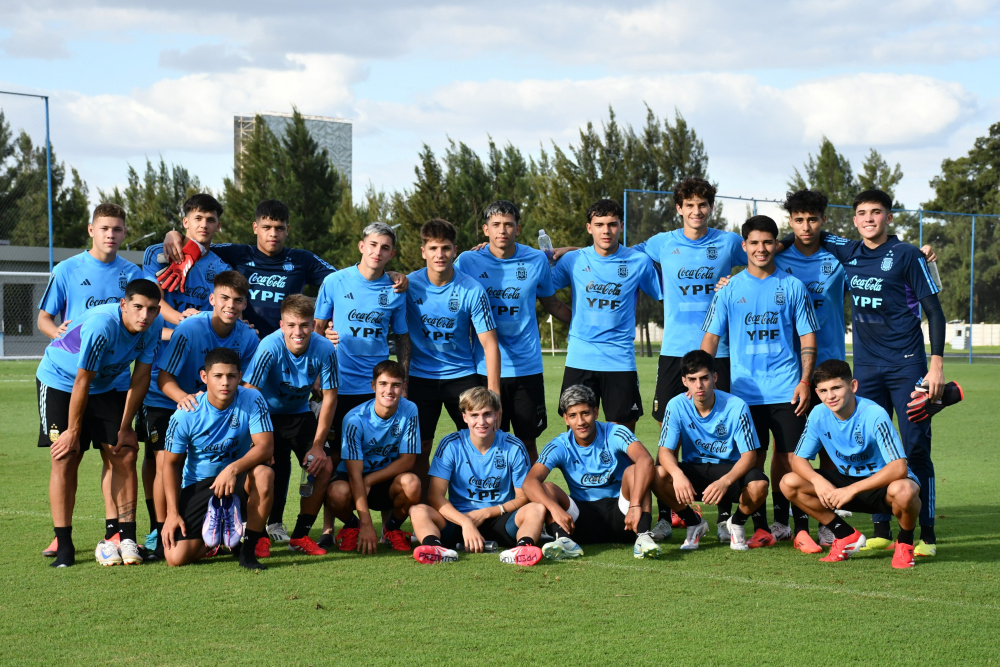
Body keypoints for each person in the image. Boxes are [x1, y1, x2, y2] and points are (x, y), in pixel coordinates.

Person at [800, 189, 945, 556]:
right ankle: (881, 529)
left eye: (876, 212)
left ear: (889, 217)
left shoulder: (907, 255)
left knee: (914, 448)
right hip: (866, 368)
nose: (869, 219)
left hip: (908, 364)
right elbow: (804, 234)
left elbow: (935, 312)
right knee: (871, 445)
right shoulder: (849, 252)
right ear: (854, 220)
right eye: (862, 213)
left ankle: (925, 534)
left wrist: (936, 363)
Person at [632, 177, 748, 539]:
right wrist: (562, 251)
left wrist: (738, 281)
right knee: (672, 428)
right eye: (690, 205)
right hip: (673, 352)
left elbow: (767, 255)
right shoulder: (661, 243)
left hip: (719, 351)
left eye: (703, 205)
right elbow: (614, 251)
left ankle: (728, 516)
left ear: (710, 208)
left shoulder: (729, 243)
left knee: (724, 427)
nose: (697, 212)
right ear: (678, 208)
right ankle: (672, 514)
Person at [701, 215, 819, 549]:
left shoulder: (792, 286)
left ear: (775, 245)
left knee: (791, 459)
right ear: (744, 247)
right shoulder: (730, 290)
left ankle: (796, 526)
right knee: (751, 459)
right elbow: (709, 340)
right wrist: (701, 381)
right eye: (754, 243)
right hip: (744, 394)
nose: (761, 249)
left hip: (786, 389)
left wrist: (805, 381)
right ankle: (761, 525)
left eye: (767, 242)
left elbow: (808, 338)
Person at [35, 202, 142, 558]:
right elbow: (45, 320)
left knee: (120, 453)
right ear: (90, 230)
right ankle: (61, 537)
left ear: (125, 233)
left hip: (110, 380)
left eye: (117, 229)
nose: (111, 235)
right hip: (67, 377)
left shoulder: (134, 274)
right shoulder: (67, 269)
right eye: (104, 228)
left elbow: (151, 311)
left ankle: (117, 534)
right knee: (68, 454)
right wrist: (59, 334)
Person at [35, 278, 163, 567]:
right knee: (67, 455)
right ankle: (64, 543)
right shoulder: (102, 326)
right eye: (138, 307)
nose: (145, 315)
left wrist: (125, 426)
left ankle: (126, 537)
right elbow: (82, 380)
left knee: (125, 451)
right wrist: (73, 431)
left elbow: (141, 377)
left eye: (152, 309)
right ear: (123, 305)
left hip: (105, 385)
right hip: (61, 382)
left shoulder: (153, 326)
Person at [141, 271, 259, 558]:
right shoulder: (190, 329)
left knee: (251, 457)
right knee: (163, 461)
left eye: (238, 300)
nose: (231, 305)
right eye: (225, 298)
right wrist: (186, 400)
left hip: (217, 405)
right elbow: (164, 378)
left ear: (245, 304)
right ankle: (162, 527)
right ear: (212, 299)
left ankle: (240, 524)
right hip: (173, 402)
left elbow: (248, 382)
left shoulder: (247, 336)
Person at [141, 193, 231, 552]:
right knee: (157, 454)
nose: (204, 225)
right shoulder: (158, 254)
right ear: (185, 223)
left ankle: (197, 521)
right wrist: (183, 324)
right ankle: (156, 525)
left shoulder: (220, 265)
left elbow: (221, 306)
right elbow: (153, 296)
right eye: (197, 218)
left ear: (218, 225)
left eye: (210, 219)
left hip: (197, 378)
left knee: (190, 454)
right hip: (160, 374)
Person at [313, 222, 410, 544]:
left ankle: (387, 529)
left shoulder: (396, 290)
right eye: (372, 245)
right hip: (338, 387)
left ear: (391, 254)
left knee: (383, 452)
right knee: (334, 459)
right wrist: (315, 375)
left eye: (384, 248)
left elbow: (402, 337)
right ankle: (330, 528)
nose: (377, 252)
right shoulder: (335, 281)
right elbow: (317, 328)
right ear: (361, 246)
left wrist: (403, 378)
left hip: (377, 389)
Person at [455, 200, 572, 462]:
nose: (502, 231)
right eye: (496, 225)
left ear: (518, 229)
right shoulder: (468, 260)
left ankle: (531, 501)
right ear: (485, 230)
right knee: (487, 440)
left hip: (526, 368)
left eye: (508, 224)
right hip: (483, 368)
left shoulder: (535, 259)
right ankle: (496, 500)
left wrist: (582, 323)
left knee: (526, 442)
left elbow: (551, 302)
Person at [780, 359, 922, 569]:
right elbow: (799, 460)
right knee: (789, 482)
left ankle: (905, 542)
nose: (830, 396)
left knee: (905, 490)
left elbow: (899, 467)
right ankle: (845, 535)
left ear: (853, 386)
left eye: (836, 388)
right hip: (846, 485)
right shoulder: (819, 414)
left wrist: (852, 489)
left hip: (881, 485)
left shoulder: (874, 414)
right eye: (823, 391)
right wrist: (818, 481)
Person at [551, 199, 662, 433]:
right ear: (589, 227)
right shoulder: (574, 260)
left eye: (612, 224)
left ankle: (620, 472)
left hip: (619, 360)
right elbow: (542, 287)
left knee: (622, 434)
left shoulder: (638, 261)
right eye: (599, 224)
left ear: (621, 226)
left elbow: (665, 293)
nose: (606, 230)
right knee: (578, 433)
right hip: (580, 359)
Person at [405, 218, 500, 489]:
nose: (440, 255)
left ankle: (474, 503)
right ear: (423, 251)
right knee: (420, 447)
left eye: (445, 248)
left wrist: (494, 397)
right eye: (433, 248)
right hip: (420, 378)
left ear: (455, 250)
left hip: (462, 376)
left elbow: (490, 344)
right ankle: (422, 511)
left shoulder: (471, 288)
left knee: (477, 441)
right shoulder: (408, 285)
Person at [161, 347, 275, 570]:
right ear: (204, 377)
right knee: (175, 558)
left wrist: (231, 470)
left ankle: (248, 551)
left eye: (231, 376)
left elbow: (266, 447)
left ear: (240, 377)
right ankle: (219, 538)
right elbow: (170, 465)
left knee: (264, 473)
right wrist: (172, 514)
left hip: (237, 479)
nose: (225, 383)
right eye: (218, 376)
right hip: (200, 484)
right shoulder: (186, 414)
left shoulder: (253, 398)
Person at [244, 295, 338, 555]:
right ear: (282, 324)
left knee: (324, 465)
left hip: (299, 414)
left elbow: (330, 397)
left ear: (313, 324)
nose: (298, 332)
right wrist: (258, 441)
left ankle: (300, 535)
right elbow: (250, 393)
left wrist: (318, 445)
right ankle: (258, 535)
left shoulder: (325, 349)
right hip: (266, 415)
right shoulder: (269, 346)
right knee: (262, 471)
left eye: (305, 325)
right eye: (292, 325)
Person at [409, 387, 546, 566]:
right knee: (418, 510)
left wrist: (488, 512)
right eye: (474, 415)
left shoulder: (513, 446)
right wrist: (465, 522)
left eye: (487, 414)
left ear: (497, 415)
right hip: (459, 520)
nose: (481, 422)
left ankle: (523, 548)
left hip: (501, 520)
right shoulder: (450, 445)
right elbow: (435, 497)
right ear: (464, 417)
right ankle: (435, 548)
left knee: (536, 508)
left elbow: (523, 497)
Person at [160, 199, 336, 338]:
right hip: (244, 341)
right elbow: (201, 244)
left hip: (288, 345)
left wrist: (322, 323)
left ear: (287, 230)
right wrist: (174, 235)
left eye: (279, 229)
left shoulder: (302, 259)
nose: (273, 234)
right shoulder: (237, 253)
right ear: (255, 228)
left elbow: (341, 282)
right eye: (266, 227)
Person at [522, 385, 659, 560]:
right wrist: (554, 508)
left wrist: (635, 505)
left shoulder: (615, 432)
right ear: (566, 419)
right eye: (573, 415)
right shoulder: (560, 445)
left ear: (595, 411)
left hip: (623, 516)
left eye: (585, 413)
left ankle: (643, 536)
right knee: (547, 488)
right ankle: (564, 540)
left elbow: (646, 460)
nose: (580, 422)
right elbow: (529, 482)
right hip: (579, 520)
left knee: (635, 471)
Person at [653, 350, 768, 550]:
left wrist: (725, 482)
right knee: (656, 474)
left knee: (759, 485)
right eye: (693, 379)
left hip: (728, 471)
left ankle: (737, 523)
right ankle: (693, 522)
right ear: (684, 381)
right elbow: (664, 451)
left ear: (714, 377)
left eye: (704, 378)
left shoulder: (736, 406)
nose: (699, 385)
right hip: (694, 469)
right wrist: (677, 474)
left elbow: (750, 456)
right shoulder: (676, 405)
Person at [326, 361, 421, 554]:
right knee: (336, 492)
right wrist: (366, 524)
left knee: (412, 483)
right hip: (355, 480)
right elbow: (354, 474)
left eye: (395, 385)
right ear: (373, 386)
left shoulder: (410, 409)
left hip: (384, 479)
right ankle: (354, 525)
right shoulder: (355, 419)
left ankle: (391, 529)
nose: (389, 390)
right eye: (383, 384)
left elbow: (408, 460)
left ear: (403, 387)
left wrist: (370, 479)